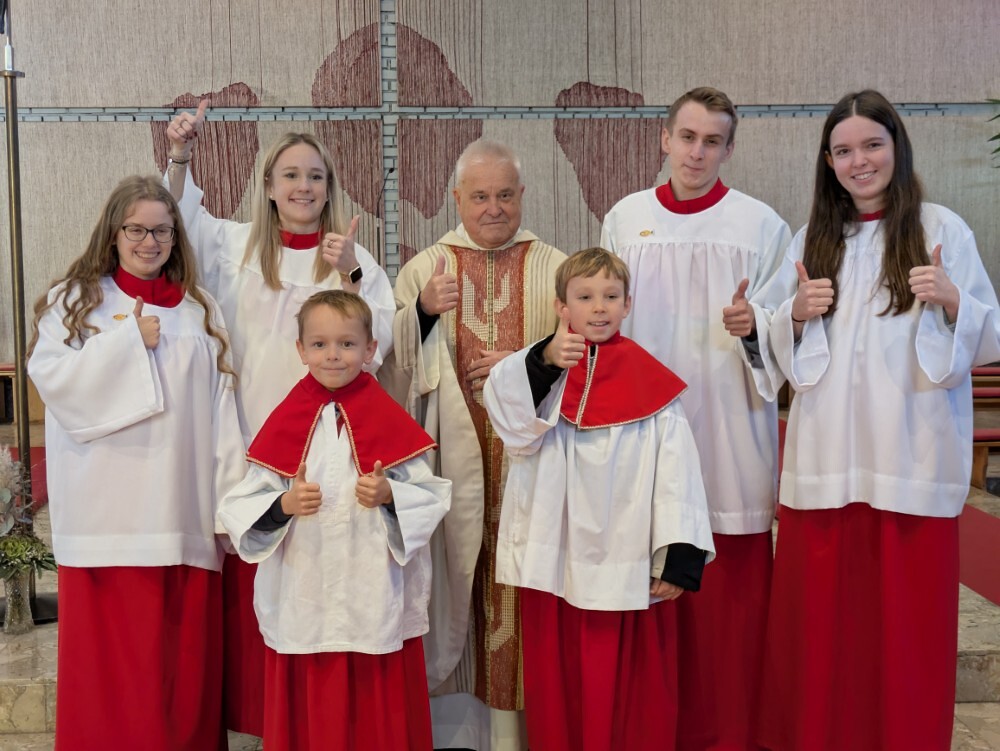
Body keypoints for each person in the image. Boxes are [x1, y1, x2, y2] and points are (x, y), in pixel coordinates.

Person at [757, 89, 1000, 751]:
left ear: (897, 146)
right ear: (828, 162)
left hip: (910, 459)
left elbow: (987, 335)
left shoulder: (941, 229)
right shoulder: (812, 239)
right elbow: (775, 345)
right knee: (822, 632)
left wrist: (954, 301)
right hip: (826, 464)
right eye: (843, 150)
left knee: (906, 633)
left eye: (871, 145)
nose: (858, 161)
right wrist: (794, 315)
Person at [165, 103, 396, 736]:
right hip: (249, 439)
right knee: (254, 572)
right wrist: (181, 154)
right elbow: (176, 221)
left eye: (315, 176)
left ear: (330, 188)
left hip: (323, 452)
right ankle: (260, 717)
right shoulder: (234, 245)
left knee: (307, 583)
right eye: (291, 175)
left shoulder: (351, 258)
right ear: (268, 186)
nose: (303, 186)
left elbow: (380, 344)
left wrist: (350, 271)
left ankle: (307, 720)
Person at [600, 86, 793, 751]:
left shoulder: (761, 226)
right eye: (686, 137)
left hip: (730, 432)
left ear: (729, 149)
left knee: (729, 615)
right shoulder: (625, 218)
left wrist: (754, 327)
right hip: (643, 433)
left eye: (712, 141)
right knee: (649, 596)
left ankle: (732, 735)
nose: (696, 152)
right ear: (665, 139)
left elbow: (787, 338)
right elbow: (602, 318)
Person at [27, 175, 246, 751]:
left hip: (181, 512)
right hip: (104, 519)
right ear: (113, 232)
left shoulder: (200, 309)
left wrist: (229, 504)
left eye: (162, 231)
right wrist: (128, 343)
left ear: (176, 237)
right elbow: (52, 381)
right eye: (137, 230)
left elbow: (225, 409)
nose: (150, 242)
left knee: (179, 679)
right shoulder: (75, 301)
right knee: (109, 681)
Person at [483, 248, 715, 751]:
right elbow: (511, 421)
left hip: (626, 561)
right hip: (555, 562)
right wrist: (545, 361)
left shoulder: (654, 386)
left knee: (630, 689)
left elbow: (678, 473)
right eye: (585, 297)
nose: (599, 307)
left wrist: (677, 555)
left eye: (611, 296)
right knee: (560, 682)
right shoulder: (541, 369)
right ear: (561, 306)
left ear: (628, 304)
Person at [217, 290, 451, 751]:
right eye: (320, 344)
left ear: (369, 349)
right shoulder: (287, 418)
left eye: (347, 343)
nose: (333, 355)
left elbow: (431, 496)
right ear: (301, 350)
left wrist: (390, 495)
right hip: (305, 591)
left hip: (374, 591)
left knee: (377, 710)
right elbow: (240, 506)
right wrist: (284, 504)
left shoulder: (387, 417)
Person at [389, 139, 566, 750]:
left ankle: (523, 734)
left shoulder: (556, 268)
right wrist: (421, 313)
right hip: (451, 463)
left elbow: (586, 354)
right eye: (481, 196)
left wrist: (524, 363)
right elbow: (388, 368)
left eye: (506, 195)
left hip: (530, 468)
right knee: (451, 586)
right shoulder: (426, 269)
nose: (494, 208)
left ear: (523, 195)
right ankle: (456, 737)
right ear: (456, 198)